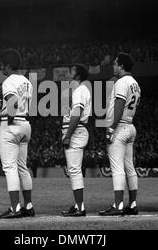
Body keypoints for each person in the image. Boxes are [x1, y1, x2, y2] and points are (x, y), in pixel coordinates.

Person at [99, 52, 140, 216]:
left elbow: (119, 105)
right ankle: (133, 204)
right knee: (130, 168)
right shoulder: (135, 83)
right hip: (130, 125)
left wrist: (111, 128)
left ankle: (118, 205)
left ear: (122, 65)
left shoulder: (122, 82)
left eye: (115, 64)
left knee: (117, 168)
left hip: (119, 128)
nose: (113, 66)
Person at [0, 49, 35, 219]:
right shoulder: (27, 81)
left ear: (8, 65)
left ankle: (14, 208)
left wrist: (10, 122)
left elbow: (12, 102)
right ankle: (28, 206)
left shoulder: (8, 81)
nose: (1, 68)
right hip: (25, 123)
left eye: (2, 65)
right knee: (22, 167)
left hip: (12, 123)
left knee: (10, 167)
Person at [61, 64, 91, 217]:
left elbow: (77, 114)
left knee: (74, 170)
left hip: (75, 131)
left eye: (71, 71)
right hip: (78, 130)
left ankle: (80, 207)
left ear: (78, 76)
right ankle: (78, 205)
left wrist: (67, 136)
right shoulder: (81, 89)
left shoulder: (79, 90)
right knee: (75, 169)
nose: (68, 73)